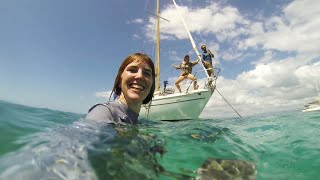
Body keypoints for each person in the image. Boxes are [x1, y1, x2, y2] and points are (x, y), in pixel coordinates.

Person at [86, 52, 155, 124]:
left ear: (152, 85)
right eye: (132, 70)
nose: (140, 76)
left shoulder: (138, 123)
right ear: (119, 80)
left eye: (147, 73)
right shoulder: (104, 112)